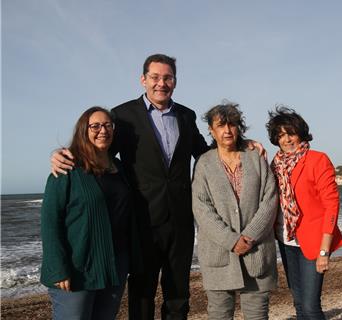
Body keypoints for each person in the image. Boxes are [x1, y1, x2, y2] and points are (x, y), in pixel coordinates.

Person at [50, 54, 265, 320]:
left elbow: (207, 152)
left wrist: (243, 144)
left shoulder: (186, 116)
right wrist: (64, 154)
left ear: (174, 81)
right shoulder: (124, 116)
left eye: (167, 78)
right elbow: (99, 151)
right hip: (141, 222)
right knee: (142, 294)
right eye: (155, 77)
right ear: (143, 80)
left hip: (180, 221)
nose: (161, 83)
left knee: (178, 295)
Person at [41, 107, 133, 319]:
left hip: (114, 266)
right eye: (96, 126)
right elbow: (50, 221)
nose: (103, 130)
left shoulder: (119, 168)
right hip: (78, 267)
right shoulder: (67, 167)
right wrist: (58, 268)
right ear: (84, 130)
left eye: (108, 125)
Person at [192, 102, 278, 320]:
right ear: (211, 130)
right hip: (219, 254)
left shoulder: (255, 158)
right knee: (219, 314)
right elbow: (201, 209)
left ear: (240, 128)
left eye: (232, 124)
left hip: (256, 251)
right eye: (221, 125)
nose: (227, 130)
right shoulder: (204, 163)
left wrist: (249, 236)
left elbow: (270, 200)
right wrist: (231, 240)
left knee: (257, 315)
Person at [266, 106, 342, 320]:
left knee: (310, 306)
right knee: (299, 304)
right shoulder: (276, 165)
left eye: (290, 133)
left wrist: (324, 251)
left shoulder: (318, 160)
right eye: (280, 135)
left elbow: (331, 205)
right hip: (285, 239)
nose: (286, 139)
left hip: (313, 242)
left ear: (300, 133)